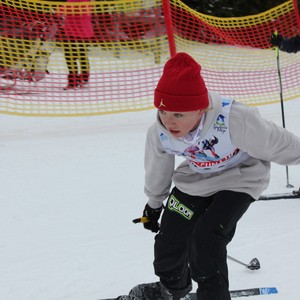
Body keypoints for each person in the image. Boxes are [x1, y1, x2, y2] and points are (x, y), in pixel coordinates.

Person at [129, 52, 300, 300]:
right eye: (164, 112)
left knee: (206, 240)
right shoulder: (160, 133)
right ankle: (171, 289)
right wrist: (154, 205)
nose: (169, 122)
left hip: (241, 179)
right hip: (197, 179)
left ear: (200, 109)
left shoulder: (235, 120)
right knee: (169, 241)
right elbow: (158, 169)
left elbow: (279, 144)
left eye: (179, 115)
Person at [60, 0, 94, 90]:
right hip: (69, 32)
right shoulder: (69, 1)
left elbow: (83, 12)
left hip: (82, 33)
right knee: (69, 56)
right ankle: (73, 81)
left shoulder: (87, 2)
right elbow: (60, 11)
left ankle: (84, 79)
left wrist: (69, 9)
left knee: (81, 55)